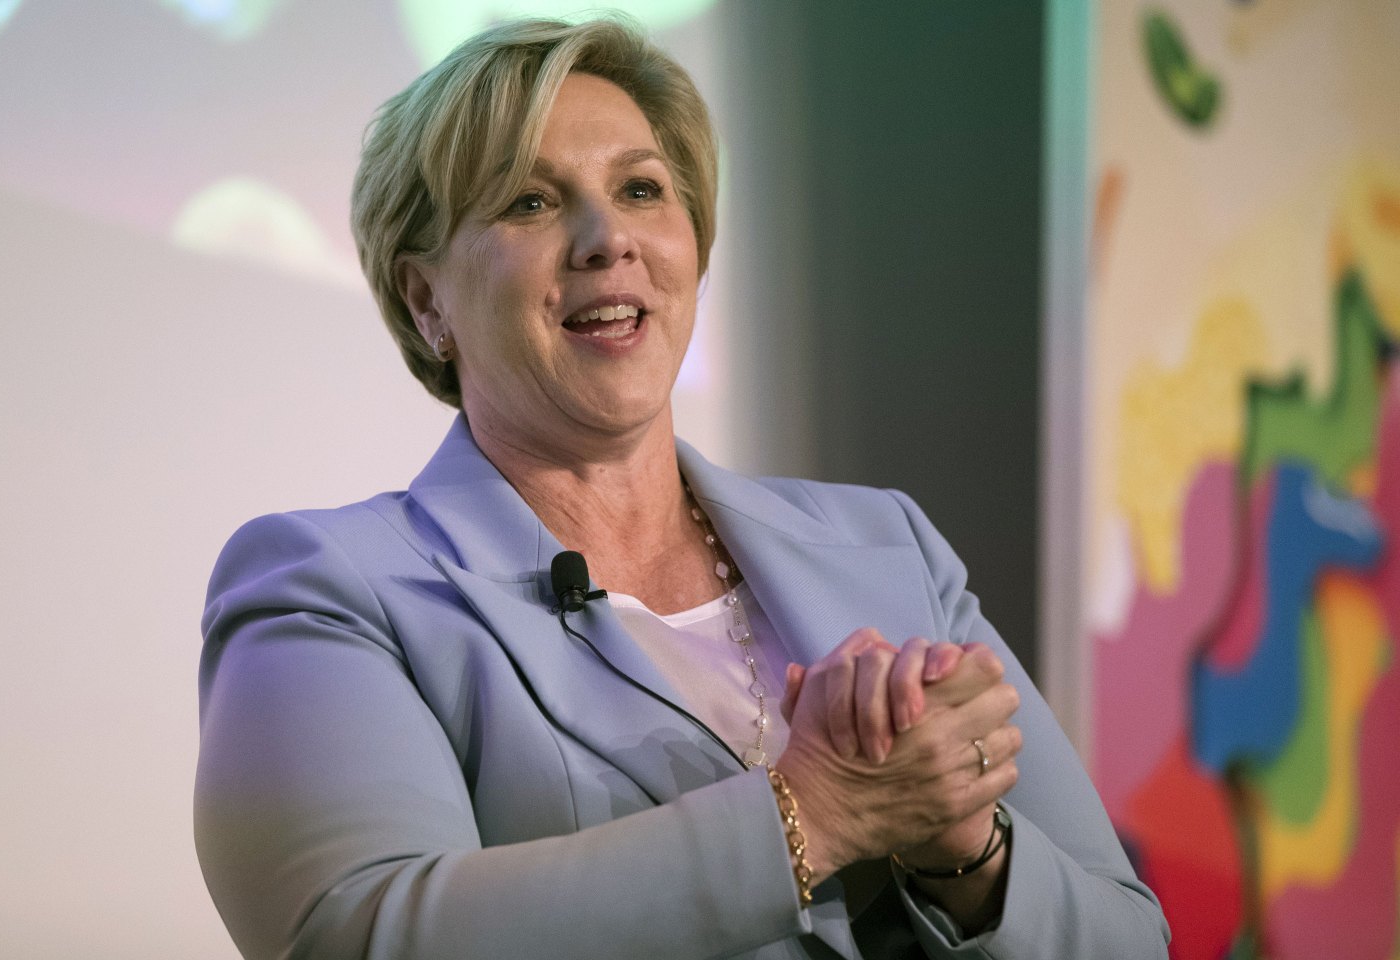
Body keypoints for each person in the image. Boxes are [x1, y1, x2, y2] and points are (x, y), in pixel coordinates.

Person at [195, 16, 1169, 960]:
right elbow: (358, 932)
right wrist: (814, 816)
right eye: (529, 202)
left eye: (642, 189)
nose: (607, 238)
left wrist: (966, 853)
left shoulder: (885, 545)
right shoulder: (335, 586)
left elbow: (1129, 940)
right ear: (426, 301)